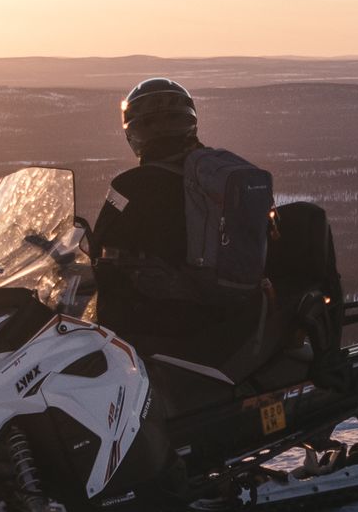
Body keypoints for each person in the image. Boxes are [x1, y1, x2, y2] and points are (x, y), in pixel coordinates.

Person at [87, 80, 341, 386]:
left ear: (133, 134)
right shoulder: (220, 174)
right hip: (232, 306)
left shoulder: (130, 186)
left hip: (170, 316)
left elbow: (98, 246)